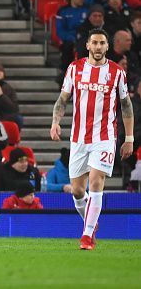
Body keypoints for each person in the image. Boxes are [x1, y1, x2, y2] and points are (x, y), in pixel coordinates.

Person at [50, 28, 134, 250]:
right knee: (78, 191)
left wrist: (130, 138)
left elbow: (126, 105)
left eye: (102, 43)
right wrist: (55, 122)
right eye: (94, 43)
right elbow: (62, 99)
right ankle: (91, 223)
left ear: (107, 46)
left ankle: (86, 236)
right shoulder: (74, 69)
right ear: (88, 45)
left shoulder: (116, 73)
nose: (98, 47)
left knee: (96, 182)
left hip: (105, 136)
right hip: (78, 138)